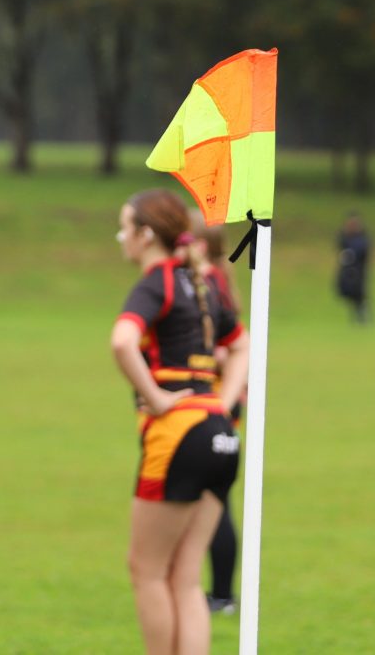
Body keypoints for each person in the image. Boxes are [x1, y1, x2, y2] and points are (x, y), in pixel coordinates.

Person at [111, 189, 249, 655]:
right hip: (220, 433)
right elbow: (242, 343)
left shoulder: (158, 280)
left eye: (124, 227)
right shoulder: (204, 280)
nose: (121, 238)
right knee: (185, 577)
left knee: (146, 570)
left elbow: (122, 342)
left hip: (179, 436)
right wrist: (221, 403)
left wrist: (157, 399)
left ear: (145, 234)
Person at [188, 214, 244, 616]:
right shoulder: (217, 277)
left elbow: (224, 348)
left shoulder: (209, 281)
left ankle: (222, 596)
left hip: (217, 399)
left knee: (213, 502)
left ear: (202, 245)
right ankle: (214, 593)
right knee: (209, 500)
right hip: (221, 398)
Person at [336, 213, 371, 324]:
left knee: (359, 294)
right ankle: (354, 317)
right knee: (348, 293)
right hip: (347, 270)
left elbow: (364, 253)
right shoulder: (345, 237)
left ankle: (363, 316)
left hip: (358, 270)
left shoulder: (362, 238)